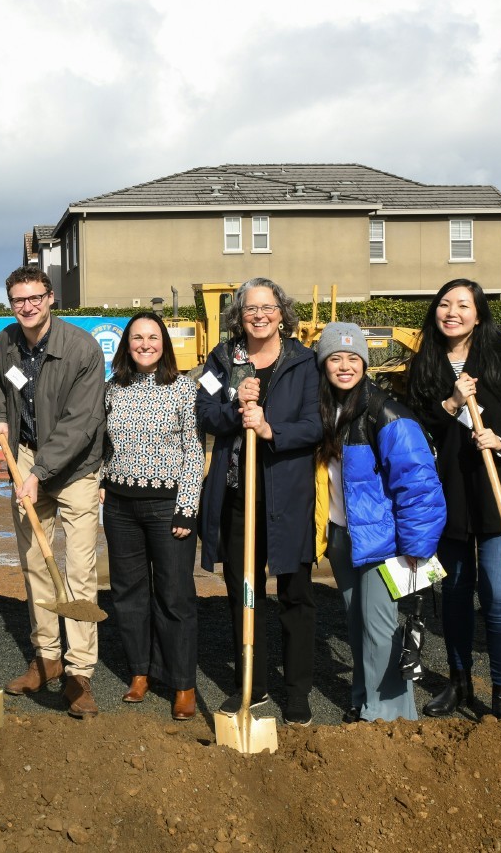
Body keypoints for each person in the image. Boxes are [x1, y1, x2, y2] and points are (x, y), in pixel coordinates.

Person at [407, 279, 501, 718]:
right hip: (447, 496)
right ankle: (459, 682)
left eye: (463, 305)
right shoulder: (426, 364)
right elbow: (415, 426)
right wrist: (450, 403)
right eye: (445, 304)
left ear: (479, 314)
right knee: (455, 592)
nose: (452, 312)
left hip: (495, 493)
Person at [196, 277, 322, 726]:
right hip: (237, 497)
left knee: (295, 595)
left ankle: (297, 692)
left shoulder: (304, 362)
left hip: (286, 498)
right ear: (239, 315)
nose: (259, 315)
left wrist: (271, 430)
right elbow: (205, 412)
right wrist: (235, 411)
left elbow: (316, 425)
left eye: (267, 307)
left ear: (282, 312)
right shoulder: (222, 359)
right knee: (243, 592)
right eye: (250, 309)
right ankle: (253, 682)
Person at [0, 267, 107, 718]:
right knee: (35, 564)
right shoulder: (5, 344)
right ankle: (47, 658)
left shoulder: (81, 348)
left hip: (75, 468)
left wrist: (41, 472)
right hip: (25, 458)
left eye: (34, 298)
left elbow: (82, 422)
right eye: (18, 300)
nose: (27, 307)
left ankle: (79, 674)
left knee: (78, 571)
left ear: (50, 297)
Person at [314, 323, 447, 722]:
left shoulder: (385, 411)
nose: (344, 366)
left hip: (382, 540)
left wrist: (416, 546)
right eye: (335, 358)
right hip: (342, 536)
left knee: (381, 629)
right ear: (323, 364)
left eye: (352, 358)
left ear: (364, 364)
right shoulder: (323, 410)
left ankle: (390, 717)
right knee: (357, 625)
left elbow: (419, 482)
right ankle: (364, 699)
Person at [101, 312, 202, 721]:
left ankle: (182, 683)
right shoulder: (112, 390)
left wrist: (187, 507)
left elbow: (194, 451)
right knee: (127, 593)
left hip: (168, 507)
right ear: (127, 344)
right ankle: (140, 672)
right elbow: (104, 443)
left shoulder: (184, 390)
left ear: (164, 344)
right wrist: (105, 480)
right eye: (138, 337)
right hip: (121, 508)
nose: (145, 344)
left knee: (175, 595)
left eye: (153, 337)